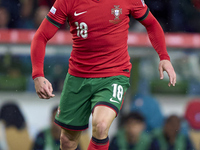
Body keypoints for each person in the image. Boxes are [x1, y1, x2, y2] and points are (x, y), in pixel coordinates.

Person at [30, 0, 176, 149]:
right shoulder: (67, 1)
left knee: (101, 125)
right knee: (67, 141)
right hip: (78, 77)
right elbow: (41, 35)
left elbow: (151, 23)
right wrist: (38, 75)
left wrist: (164, 57)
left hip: (114, 75)